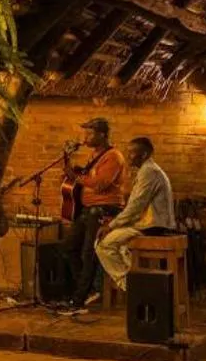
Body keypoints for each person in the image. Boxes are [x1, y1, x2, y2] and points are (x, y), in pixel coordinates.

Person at [92, 136, 176, 300]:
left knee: (103, 244)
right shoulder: (149, 170)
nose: (128, 156)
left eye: (132, 153)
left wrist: (111, 225)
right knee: (122, 246)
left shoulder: (148, 172)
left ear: (143, 155)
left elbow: (135, 207)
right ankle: (139, 283)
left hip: (153, 226)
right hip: (148, 224)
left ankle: (133, 288)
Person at [63, 117, 128, 307]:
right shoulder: (94, 156)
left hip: (104, 210)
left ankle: (79, 298)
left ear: (102, 135)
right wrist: (68, 163)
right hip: (88, 210)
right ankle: (90, 290)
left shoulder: (113, 156)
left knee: (88, 253)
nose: (86, 137)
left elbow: (100, 184)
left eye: (90, 133)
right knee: (68, 247)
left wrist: (76, 177)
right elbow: (85, 180)